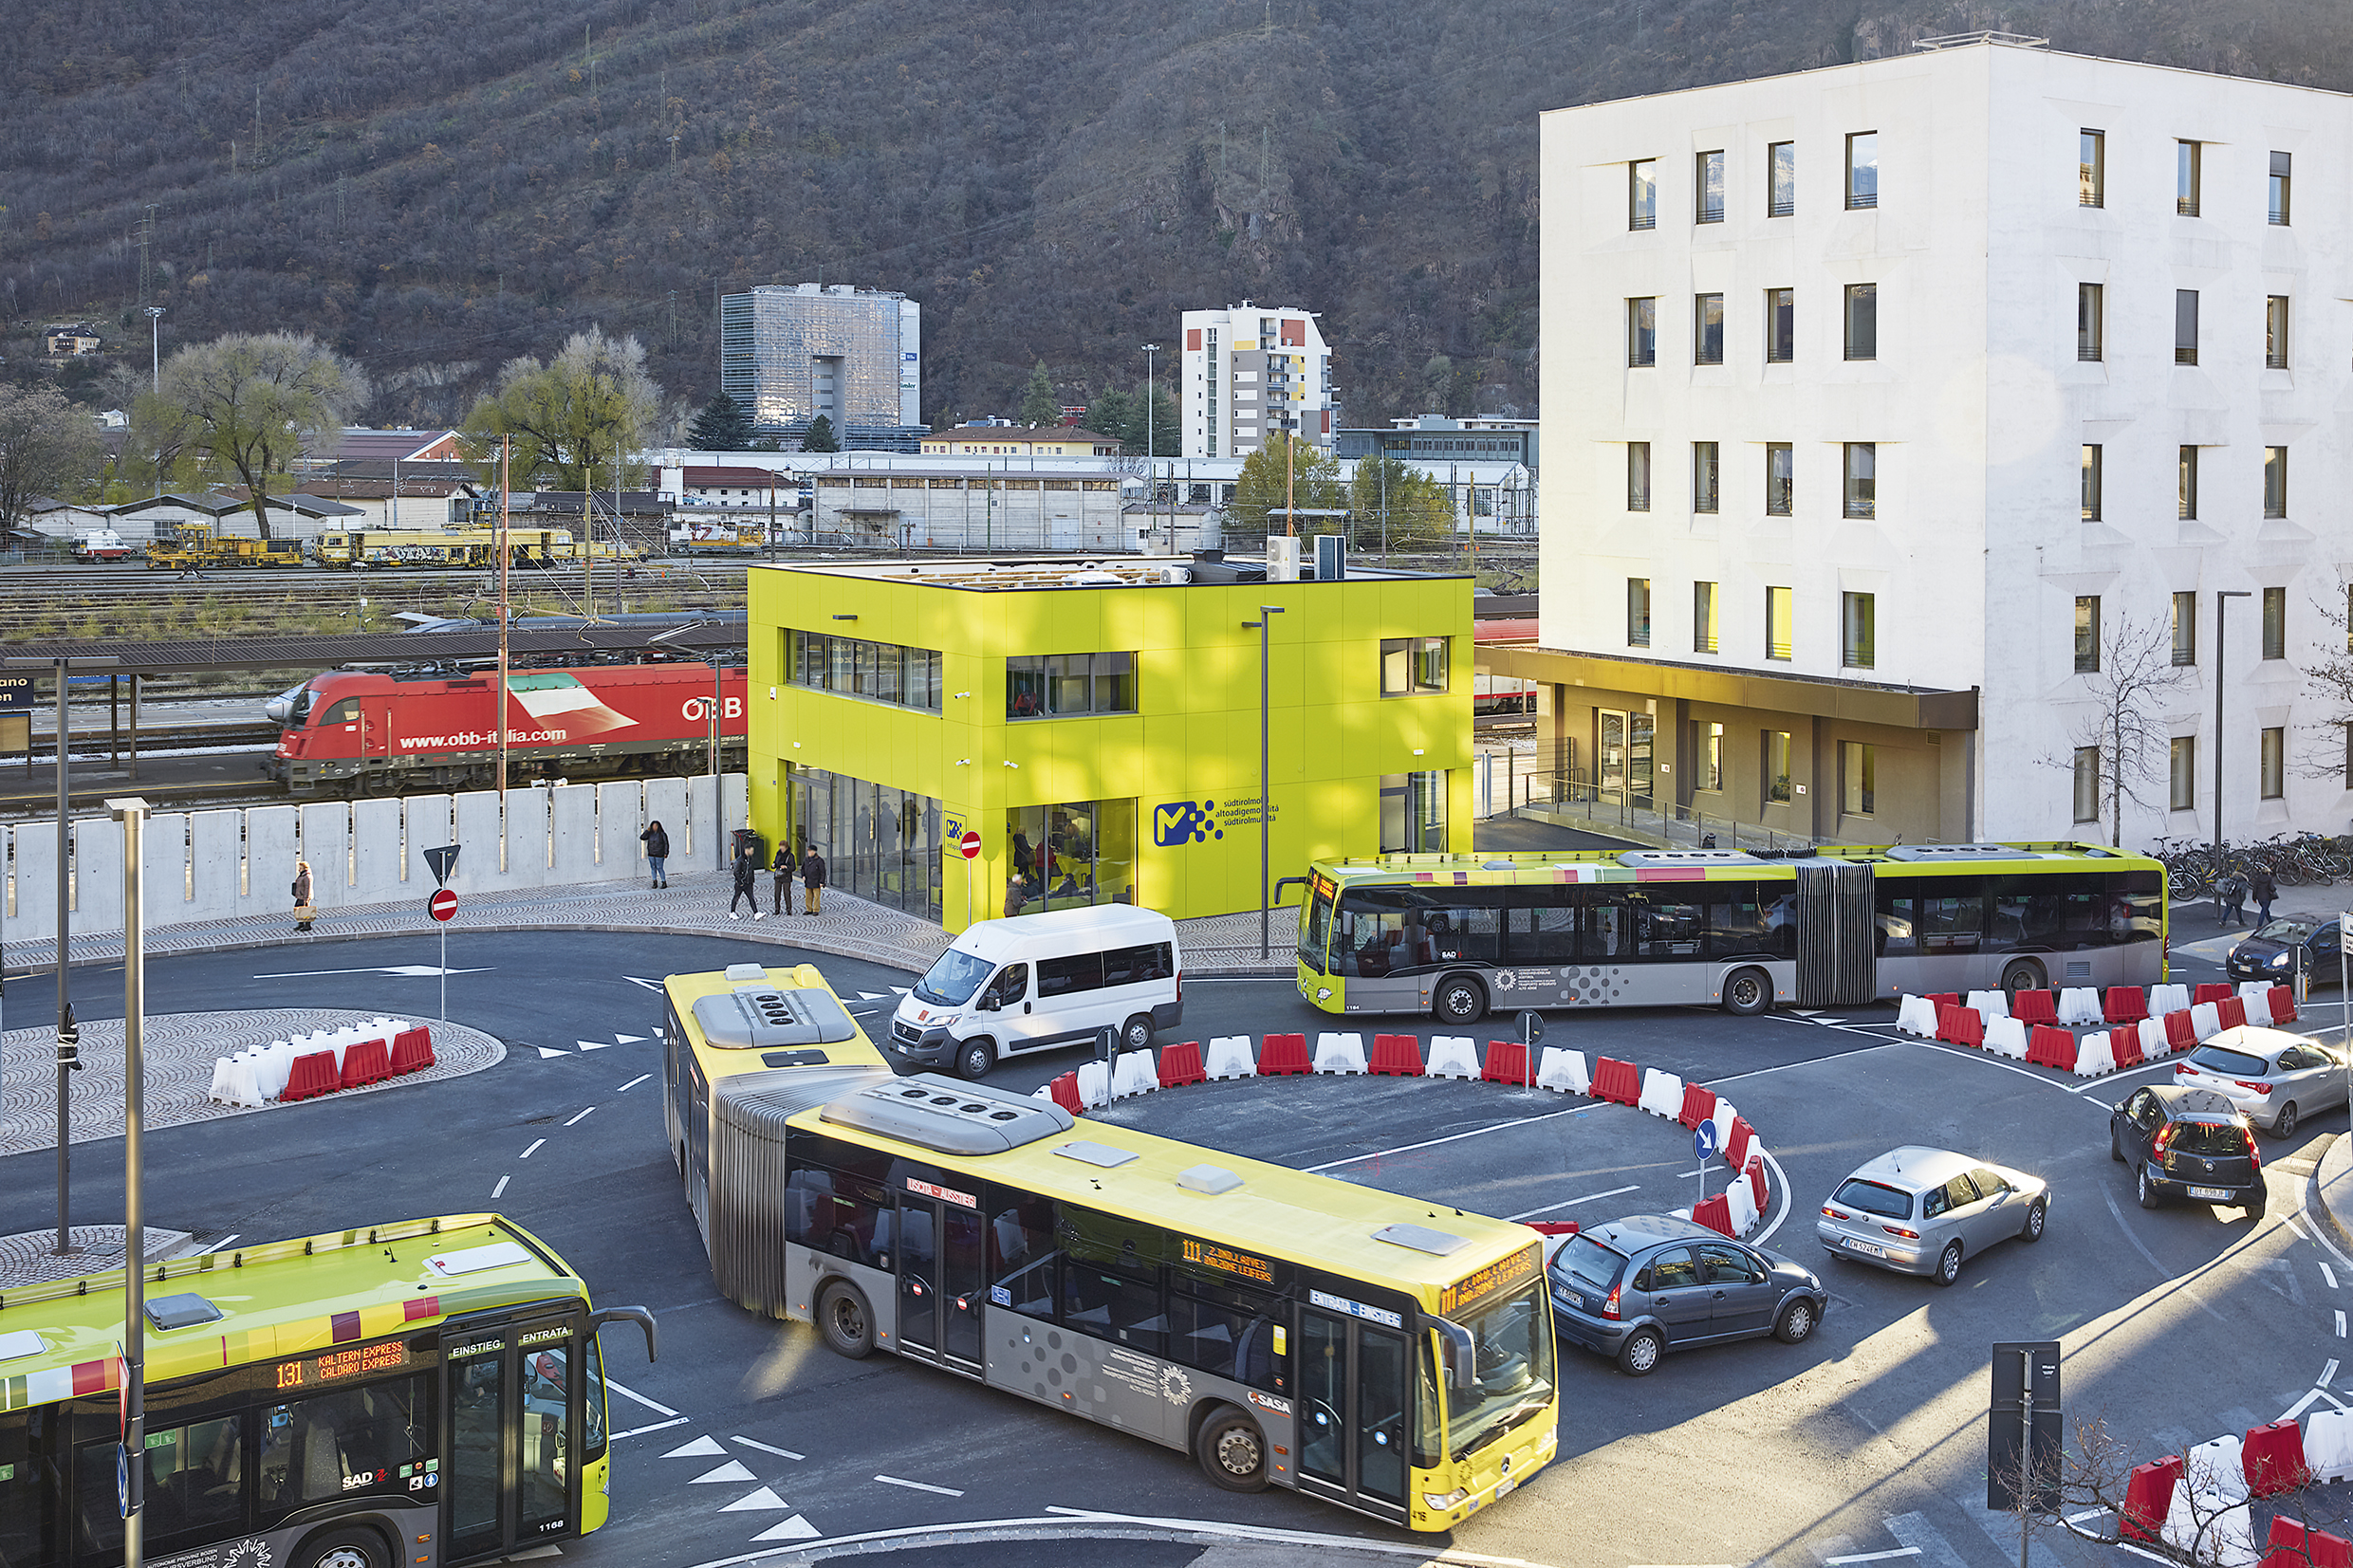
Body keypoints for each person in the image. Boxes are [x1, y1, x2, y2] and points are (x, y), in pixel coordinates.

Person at [728, 847, 763, 920]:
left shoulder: (749, 859)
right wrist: (740, 881)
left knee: (751, 898)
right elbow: (736, 872)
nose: (752, 852)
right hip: (741, 883)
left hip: (748, 882)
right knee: (736, 897)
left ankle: (756, 913)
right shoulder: (740, 860)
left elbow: (750, 870)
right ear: (747, 850)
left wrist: (751, 880)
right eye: (751, 851)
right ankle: (732, 912)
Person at [770, 839, 799, 914]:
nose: (781, 849)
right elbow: (776, 862)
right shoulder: (778, 854)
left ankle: (788, 909)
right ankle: (777, 909)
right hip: (778, 876)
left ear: (786, 847)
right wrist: (773, 865)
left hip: (786, 876)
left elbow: (793, 867)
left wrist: (786, 867)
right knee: (777, 893)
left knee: (787, 893)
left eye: (783, 848)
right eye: (780, 848)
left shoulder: (790, 856)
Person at [639, 820, 669, 889]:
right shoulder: (650, 834)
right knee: (653, 868)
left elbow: (666, 844)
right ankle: (654, 882)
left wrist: (666, 852)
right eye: (653, 826)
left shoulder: (662, 834)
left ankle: (663, 881)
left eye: (656, 826)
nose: (654, 827)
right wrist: (647, 830)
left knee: (659, 867)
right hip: (651, 853)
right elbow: (642, 837)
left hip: (659, 854)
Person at [801, 845, 826, 915]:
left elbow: (822, 872)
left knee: (816, 897)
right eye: (808, 851)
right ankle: (809, 909)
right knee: (808, 896)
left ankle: (816, 909)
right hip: (808, 880)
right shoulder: (806, 859)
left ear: (813, 852)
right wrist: (803, 875)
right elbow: (802, 868)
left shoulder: (819, 860)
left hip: (816, 881)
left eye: (809, 851)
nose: (808, 852)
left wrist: (822, 881)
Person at [291, 858, 315, 933]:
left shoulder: (307, 876)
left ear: (304, 868)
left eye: (300, 868)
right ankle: (301, 924)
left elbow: (308, 888)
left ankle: (307, 925)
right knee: (299, 910)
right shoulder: (302, 875)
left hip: (304, 896)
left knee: (305, 911)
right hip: (300, 896)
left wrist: (306, 898)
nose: (299, 869)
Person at [2251, 864, 2277, 928]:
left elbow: (2255, 889)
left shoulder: (2258, 879)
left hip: (2260, 898)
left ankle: (2270, 921)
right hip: (2267, 897)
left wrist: (2254, 898)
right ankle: (2259, 925)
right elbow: (2272, 888)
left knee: (2265, 910)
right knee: (2264, 911)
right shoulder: (2269, 879)